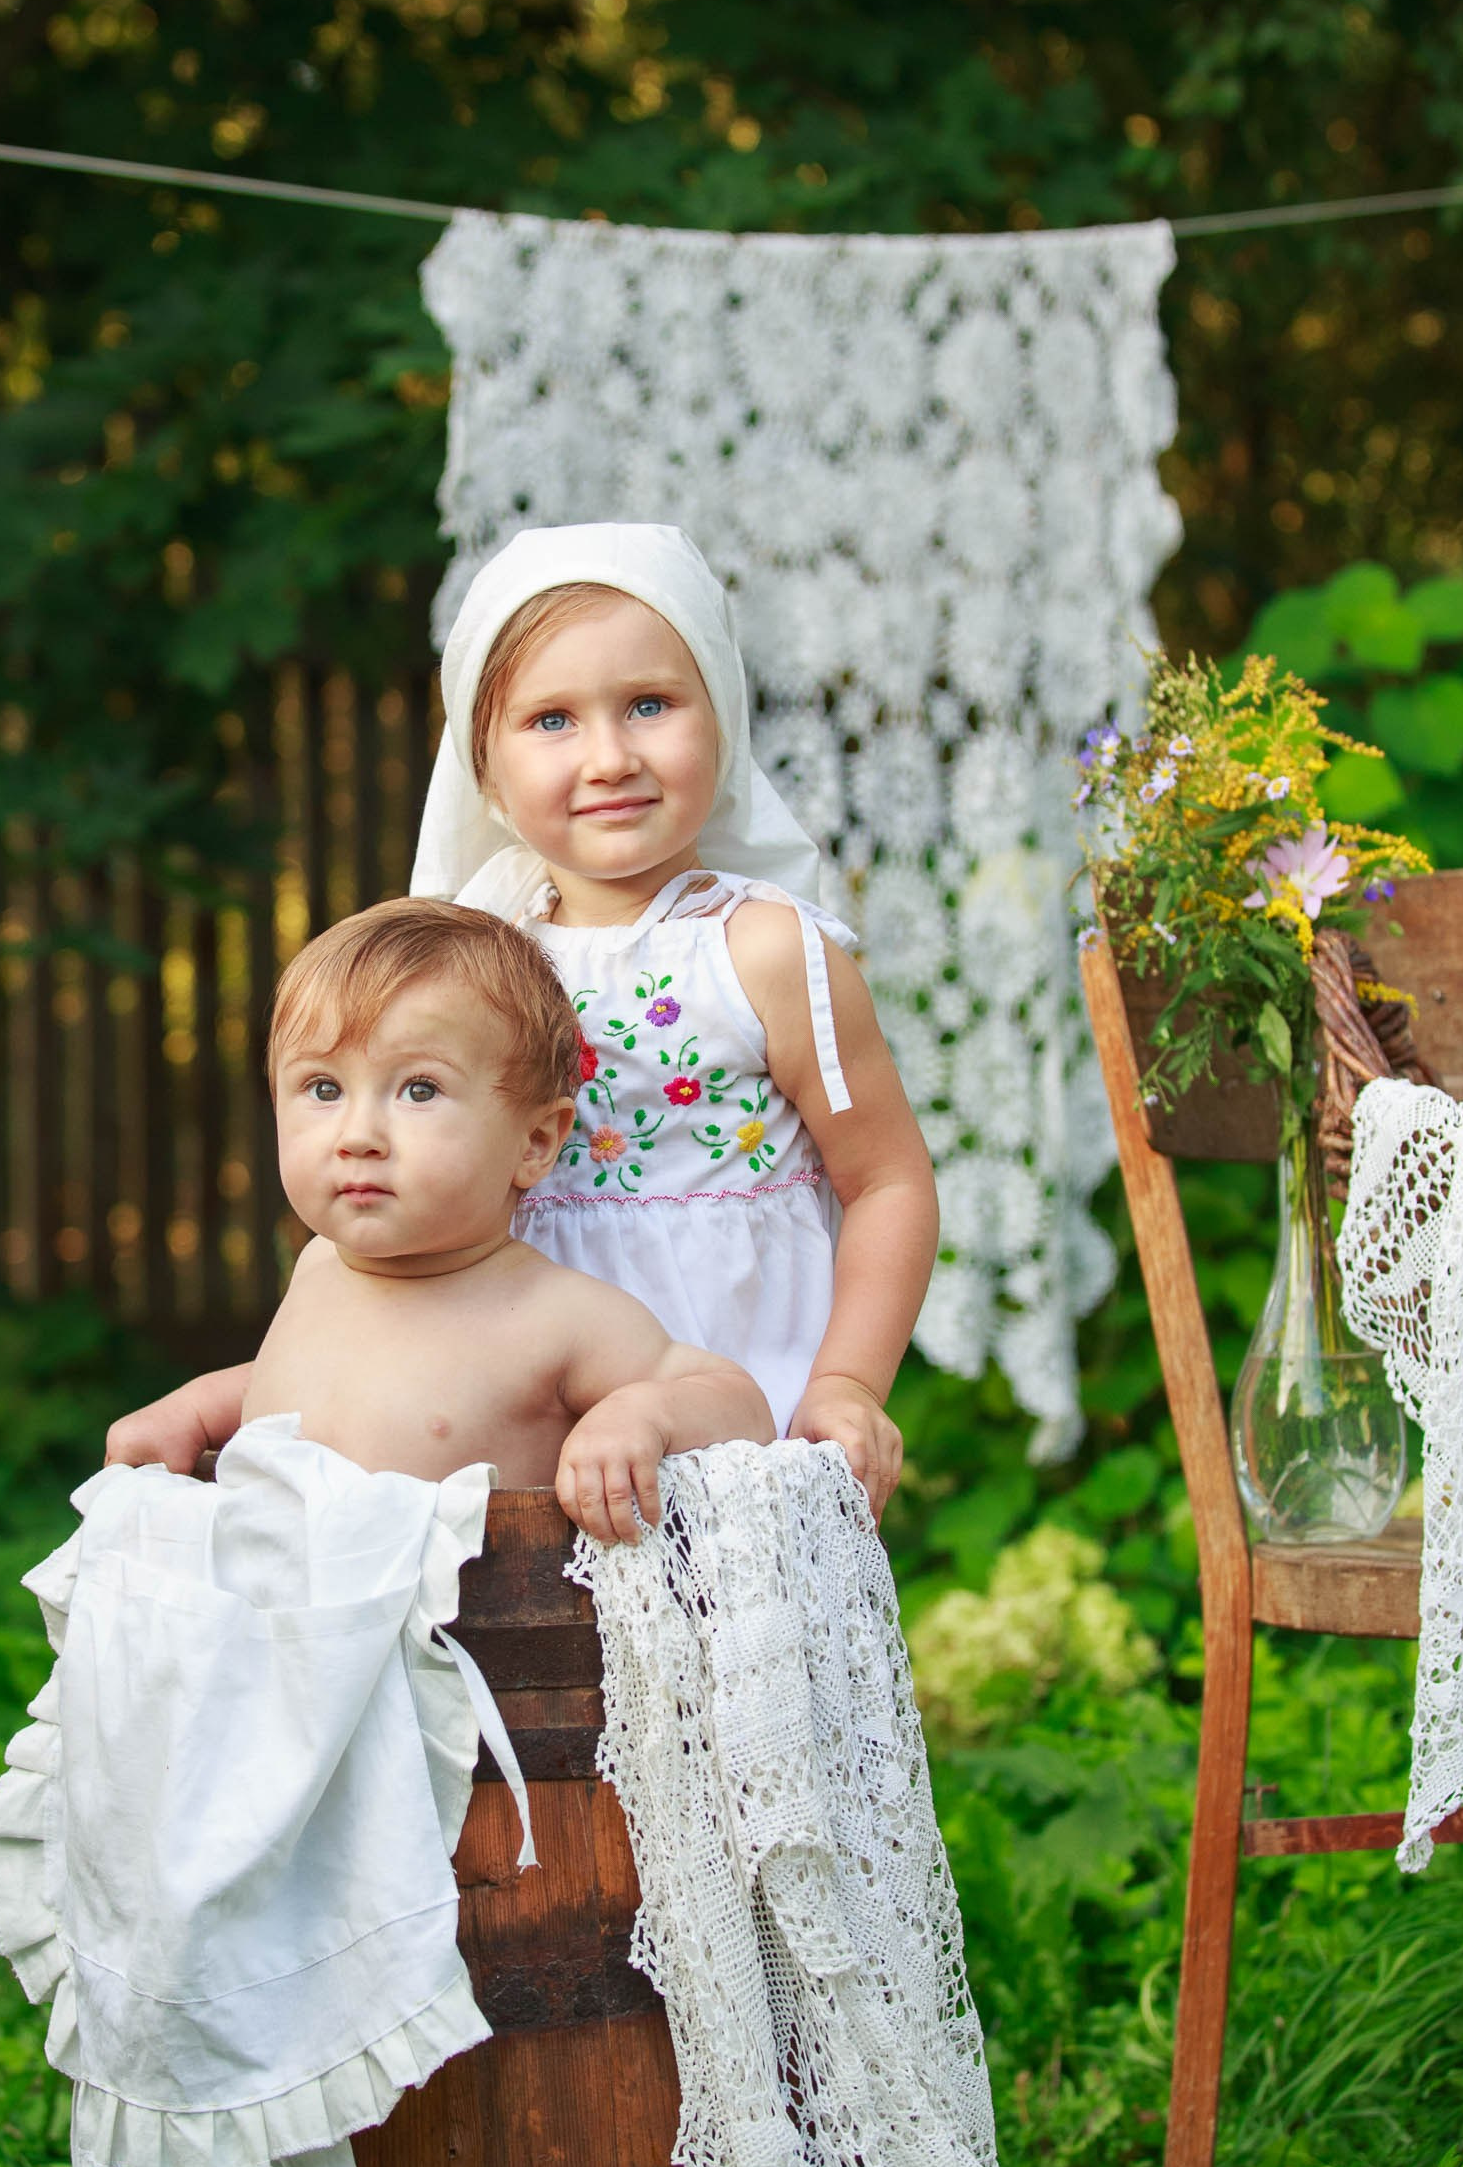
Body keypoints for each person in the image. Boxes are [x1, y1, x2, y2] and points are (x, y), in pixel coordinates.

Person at [108, 524, 935, 1517]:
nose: (609, 755)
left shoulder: (762, 949)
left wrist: (847, 1380)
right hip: (507, 1388)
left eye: (650, 704)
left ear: (723, 719)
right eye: (552, 720)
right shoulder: (476, 958)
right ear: (484, 771)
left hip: (731, 1381)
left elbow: (885, 1177)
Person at [144, 894, 771, 1537]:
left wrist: (642, 1416)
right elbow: (313, 1383)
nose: (358, 1135)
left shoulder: (553, 1315)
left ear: (534, 1143)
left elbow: (739, 1401)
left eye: (421, 1090)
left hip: (469, 1628)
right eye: (324, 1089)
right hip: (278, 1615)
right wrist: (193, 1410)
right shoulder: (320, 1266)